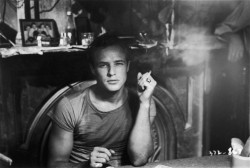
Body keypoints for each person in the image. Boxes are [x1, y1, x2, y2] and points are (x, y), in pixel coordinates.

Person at [47, 33, 157, 168]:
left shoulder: (144, 102)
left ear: (127, 66)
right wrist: (86, 165)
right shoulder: (70, 106)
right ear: (93, 69)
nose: (112, 72)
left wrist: (144, 103)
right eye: (103, 65)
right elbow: (53, 165)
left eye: (118, 63)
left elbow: (139, 159)